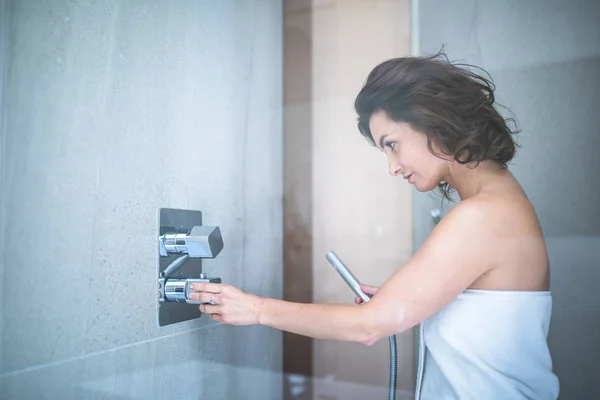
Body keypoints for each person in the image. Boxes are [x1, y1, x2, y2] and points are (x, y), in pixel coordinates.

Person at [188, 51, 560, 399]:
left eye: (392, 144)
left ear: (431, 119)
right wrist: (410, 297)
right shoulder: (502, 207)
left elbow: (368, 327)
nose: (392, 167)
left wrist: (255, 309)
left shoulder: (483, 216)